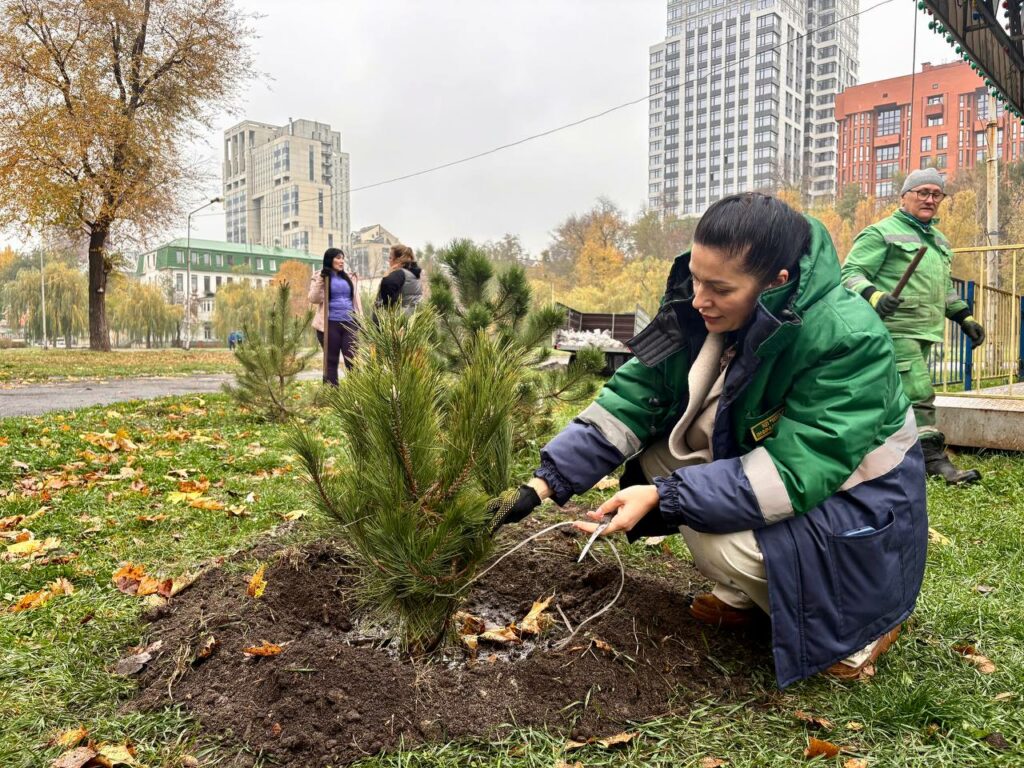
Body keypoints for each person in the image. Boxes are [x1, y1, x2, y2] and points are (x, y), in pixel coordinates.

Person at [495, 193, 928, 689]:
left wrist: (667, 495)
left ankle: (860, 628)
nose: (700, 298)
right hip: (798, 482)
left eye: (719, 288)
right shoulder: (699, 309)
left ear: (776, 283)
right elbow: (637, 395)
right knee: (666, 459)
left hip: (861, 509)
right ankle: (749, 596)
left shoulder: (847, 339)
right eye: (697, 278)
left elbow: (794, 472)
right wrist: (545, 482)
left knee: (709, 531)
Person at [841, 168, 984, 485]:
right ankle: (933, 461)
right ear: (904, 196)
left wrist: (964, 317)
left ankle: (875, 454)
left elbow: (943, 288)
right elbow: (850, 274)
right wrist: (875, 295)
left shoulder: (938, 241)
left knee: (891, 397)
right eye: (923, 192)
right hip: (893, 330)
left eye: (936, 194)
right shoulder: (881, 232)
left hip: (925, 332)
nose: (930, 199)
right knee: (919, 392)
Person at [309, 247, 362, 386]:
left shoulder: (349, 277)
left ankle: (357, 393)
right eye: (338, 258)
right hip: (330, 323)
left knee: (352, 359)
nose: (341, 261)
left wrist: (360, 319)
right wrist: (322, 278)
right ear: (329, 260)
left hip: (350, 323)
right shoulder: (320, 276)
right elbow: (314, 298)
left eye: (342, 258)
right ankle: (332, 393)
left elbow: (356, 301)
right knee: (331, 360)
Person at [375, 244, 423, 314]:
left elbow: (385, 297)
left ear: (397, 260)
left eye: (390, 258)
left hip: (398, 321)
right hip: (410, 318)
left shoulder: (399, 275)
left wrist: (386, 275)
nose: (388, 261)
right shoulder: (412, 274)